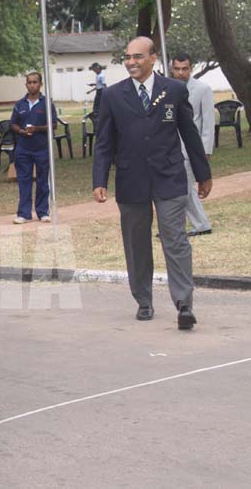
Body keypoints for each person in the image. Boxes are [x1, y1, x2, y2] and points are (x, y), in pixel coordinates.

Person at [92, 37, 211, 330]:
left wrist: (202, 173)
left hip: (169, 177)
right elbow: (104, 143)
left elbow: (189, 133)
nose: (131, 62)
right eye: (128, 57)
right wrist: (99, 179)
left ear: (153, 58)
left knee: (176, 240)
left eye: (138, 57)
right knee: (137, 243)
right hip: (131, 179)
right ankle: (144, 300)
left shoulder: (174, 89)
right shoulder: (112, 95)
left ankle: (184, 304)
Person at [170, 52, 215, 237]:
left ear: (191, 68)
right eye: (177, 69)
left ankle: (200, 224)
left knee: (186, 187)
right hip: (170, 147)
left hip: (191, 148)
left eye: (185, 69)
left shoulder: (203, 89)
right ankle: (178, 226)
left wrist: (205, 150)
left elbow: (208, 121)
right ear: (172, 69)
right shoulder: (167, 88)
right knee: (178, 187)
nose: (181, 73)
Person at [9, 72, 57, 224]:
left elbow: (53, 125)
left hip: (42, 147)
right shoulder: (19, 104)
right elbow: (13, 124)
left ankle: (43, 211)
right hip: (23, 148)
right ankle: (24, 213)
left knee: (43, 180)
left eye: (35, 82)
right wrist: (21, 131)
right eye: (29, 82)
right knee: (24, 180)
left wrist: (37, 129)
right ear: (26, 85)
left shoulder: (47, 103)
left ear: (40, 84)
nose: (32, 85)